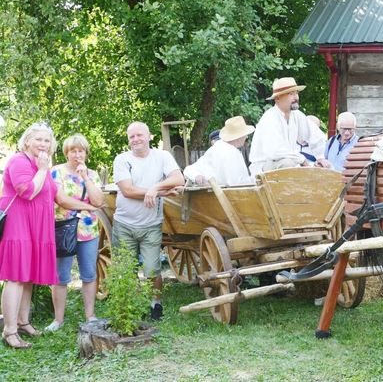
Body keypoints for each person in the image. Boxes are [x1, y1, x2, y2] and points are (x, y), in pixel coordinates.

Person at [0, 123, 97, 349]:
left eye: (47, 140)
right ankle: (10, 330)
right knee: (15, 277)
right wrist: (43, 169)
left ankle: (23, 322)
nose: (43, 144)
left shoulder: (38, 165)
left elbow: (59, 197)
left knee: (27, 277)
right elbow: (27, 191)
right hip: (18, 227)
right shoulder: (19, 162)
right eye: (38, 140)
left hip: (35, 229)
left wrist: (90, 207)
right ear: (27, 142)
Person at [112, 121, 185, 321]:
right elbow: (128, 191)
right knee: (127, 268)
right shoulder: (122, 159)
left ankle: (155, 304)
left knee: (152, 268)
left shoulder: (162, 156)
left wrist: (155, 189)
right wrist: (160, 191)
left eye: (139, 135)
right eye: (131, 137)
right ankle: (134, 305)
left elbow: (178, 179)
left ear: (149, 136)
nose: (135, 139)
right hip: (125, 223)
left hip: (151, 224)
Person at [44, 134, 105, 332]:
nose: (77, 155)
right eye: (73, 151)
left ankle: (90, 316)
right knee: (61, 276)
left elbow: (98, 201)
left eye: (80, 150)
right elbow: (62, 200)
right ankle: (58, 319)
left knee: (89, 274)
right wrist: (86, 207)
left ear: (86, 153)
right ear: (66, 153)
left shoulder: (93, 175)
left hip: (88, 231)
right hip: (64, 229)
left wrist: (85, 177)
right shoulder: (56, 172)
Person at [249, 77, 330, 174]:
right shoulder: (270, 118)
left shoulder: (297, 115)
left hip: (290, 163)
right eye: (291, 94)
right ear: (277, 98)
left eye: (296, 93)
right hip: (263, 168)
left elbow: (316, 135)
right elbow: (276, 151)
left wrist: (320, 157)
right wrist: (302, 160)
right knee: (287, 163)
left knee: (325, 167)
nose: (296, 98)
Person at [184, 116, 255, 186]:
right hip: (231, 196)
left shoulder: (216, 148)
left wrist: (196, 176)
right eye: (245, 135)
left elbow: (189, 170)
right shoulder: (229, 151)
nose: (246, 137)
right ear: (239, 136)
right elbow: (238, 184)